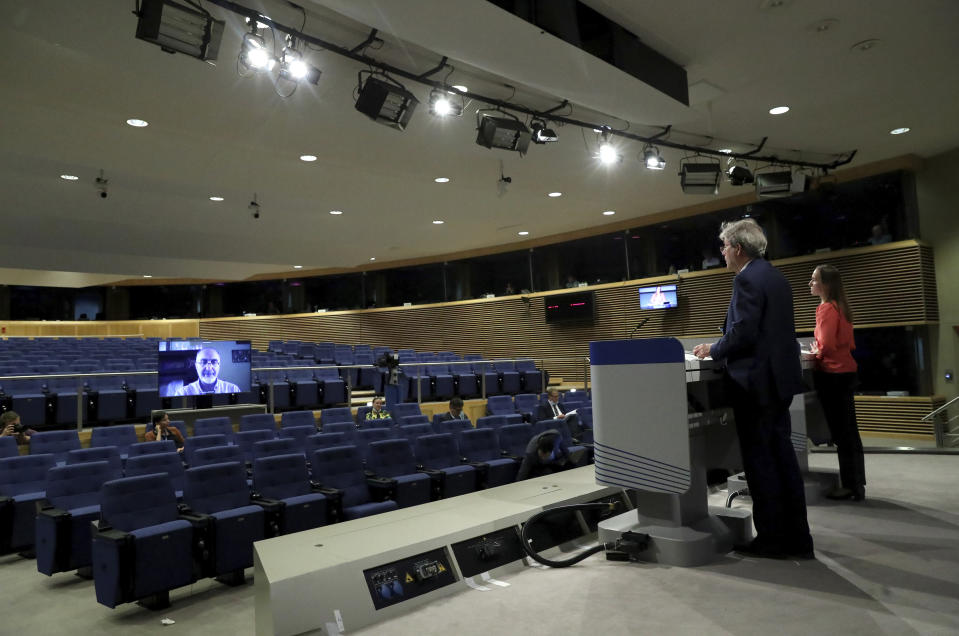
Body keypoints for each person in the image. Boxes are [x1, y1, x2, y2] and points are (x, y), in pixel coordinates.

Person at [693, 218, 813, 560]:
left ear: (738, 249)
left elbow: (744, 331)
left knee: (761, 464)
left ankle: (772, 540)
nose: (722, 252)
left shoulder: (746, 279)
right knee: (783, 460)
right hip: (778, 383)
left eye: (724, 247)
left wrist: (714, 348)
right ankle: (798, 539)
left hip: (755, 385)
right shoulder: (775, 276)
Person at [809, 264, 864, 501]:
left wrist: (816, 351)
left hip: (832, 375)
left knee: (842, 435)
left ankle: (850, 486)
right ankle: (856, 484)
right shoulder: (842, 307)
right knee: (850, 433)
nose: (810, 284)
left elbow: (827, 346)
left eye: (814, 280)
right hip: (847, 372)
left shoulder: (825, 309)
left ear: (826, 285)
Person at [174, 348, 240, 396]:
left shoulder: (233, 389)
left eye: (214, 362)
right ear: (196, 366)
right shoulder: (182, 393)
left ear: (219, 365)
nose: (209, 368)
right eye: (203, 362)